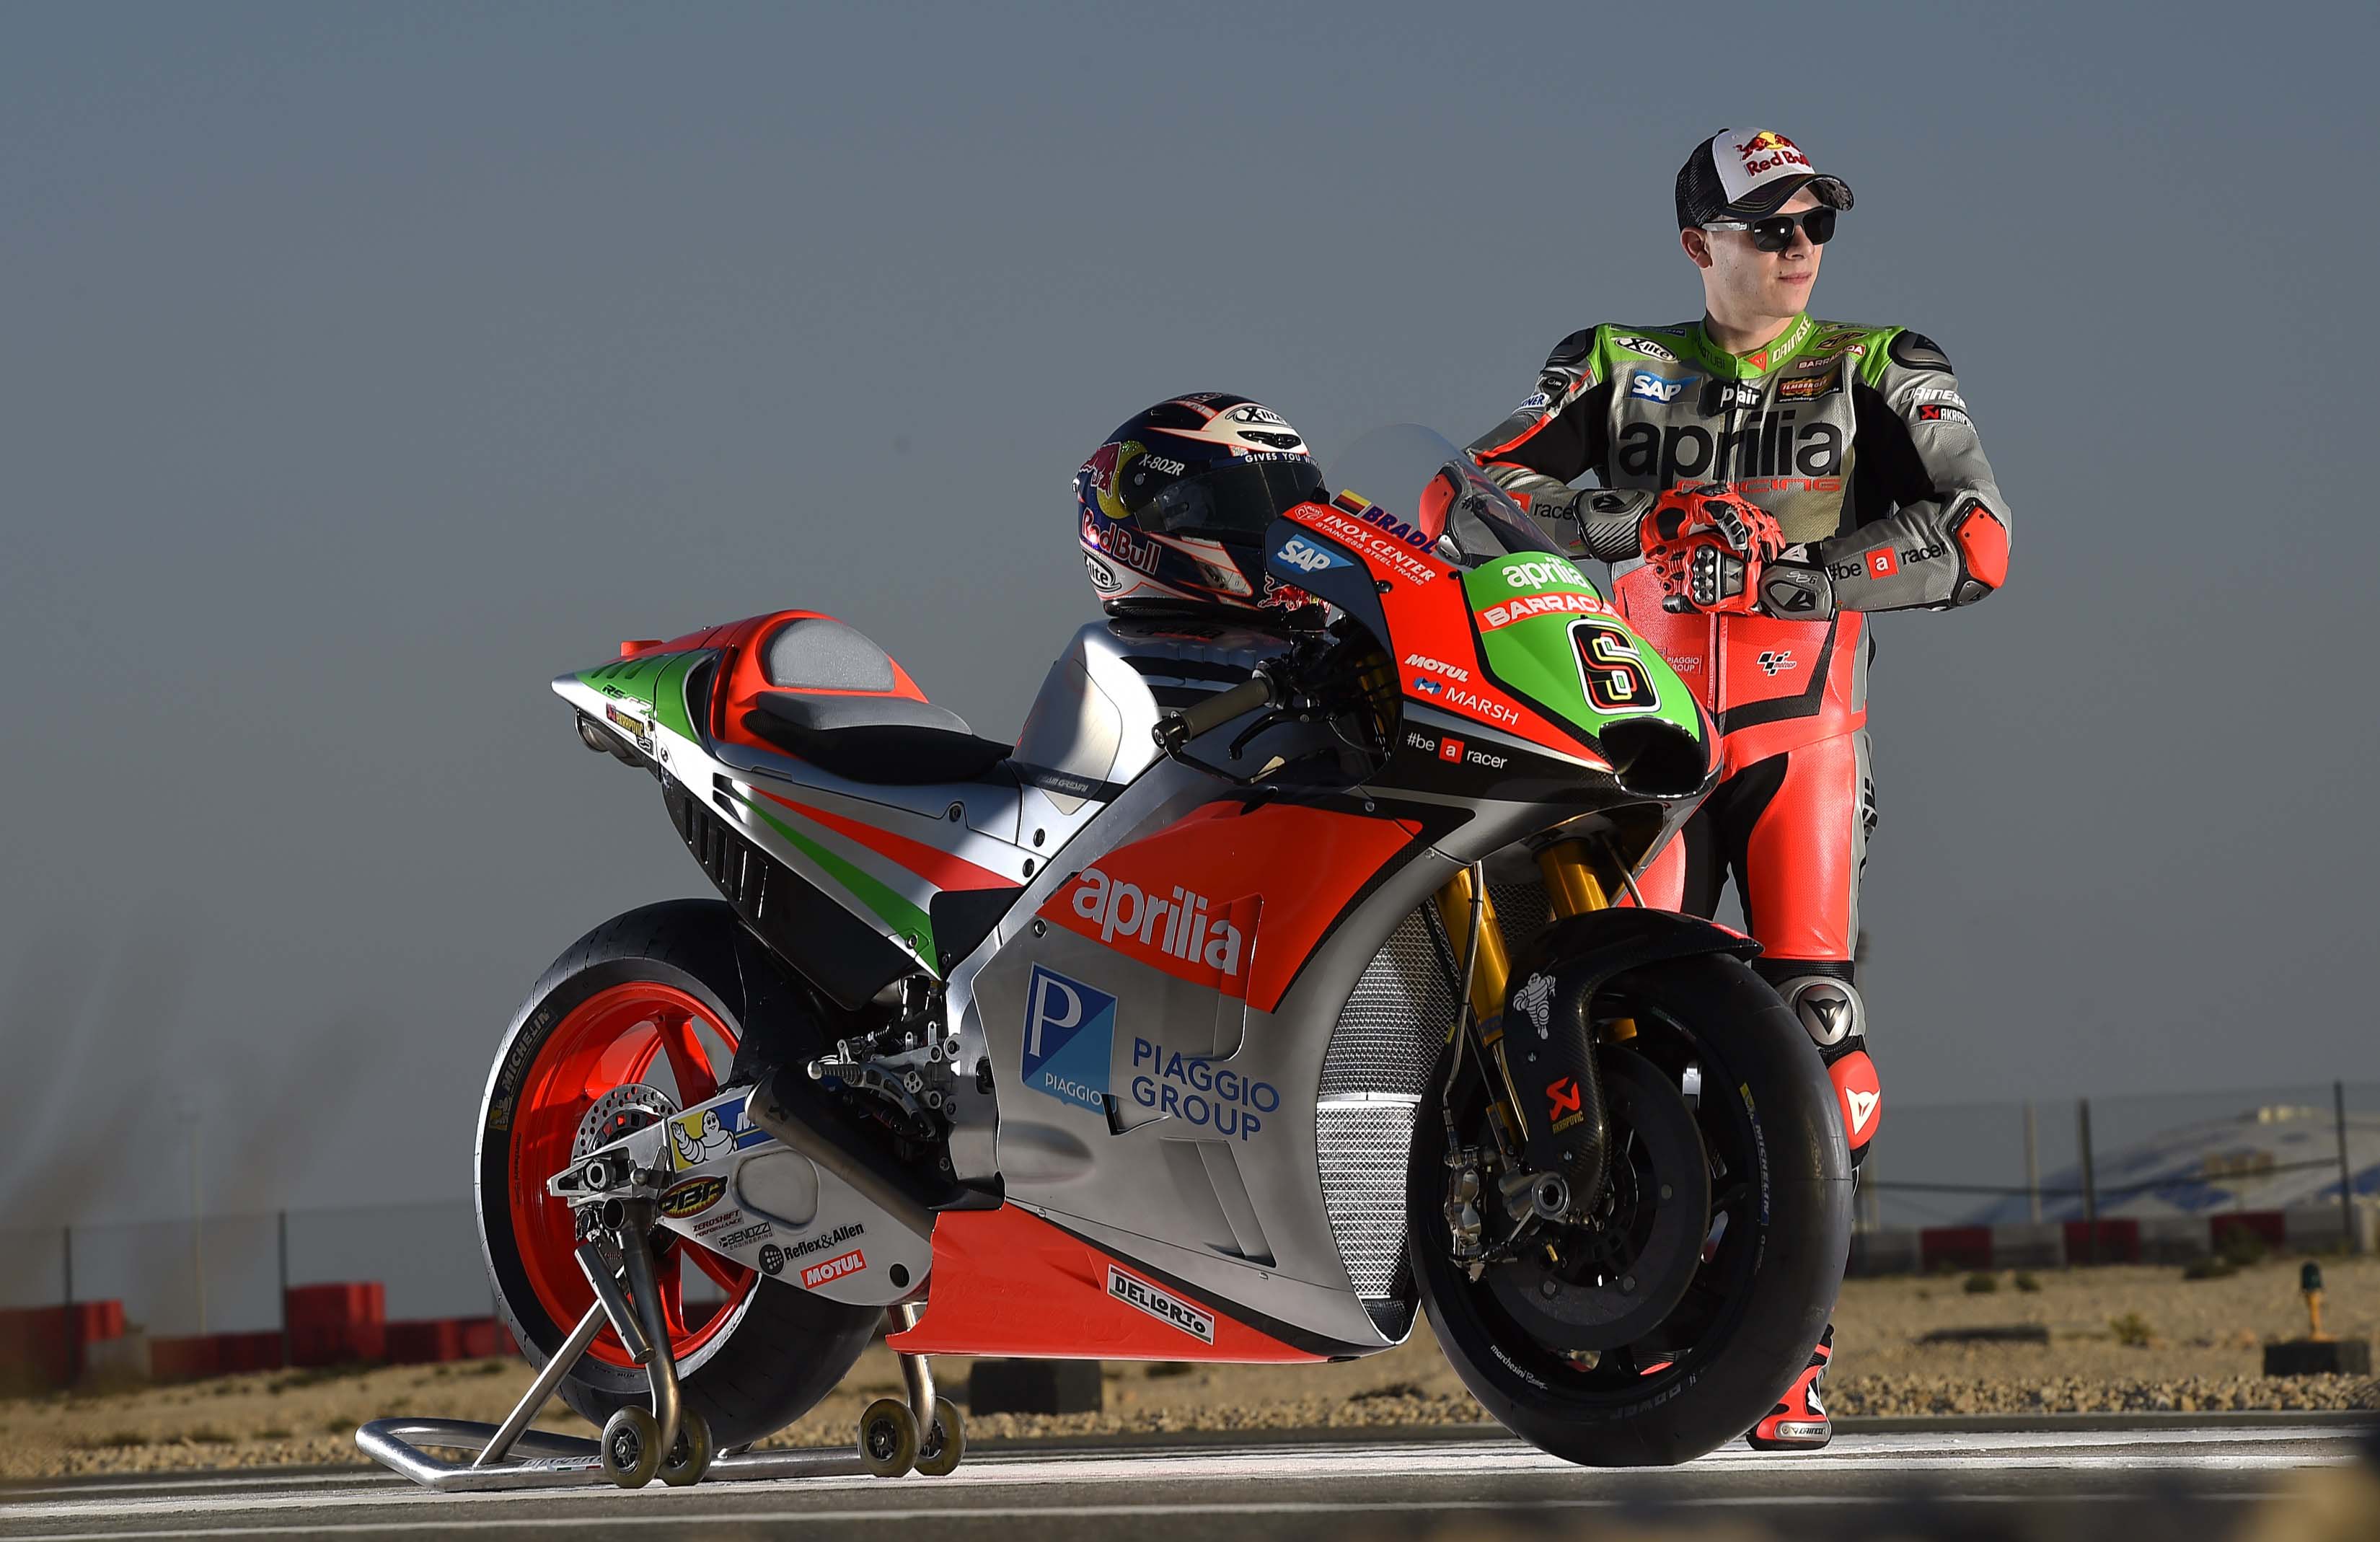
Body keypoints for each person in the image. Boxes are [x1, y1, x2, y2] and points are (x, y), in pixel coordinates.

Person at [1467, 128, 2013, 1450]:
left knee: (1822, 1035)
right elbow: (1479, 486)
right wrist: (1629, 523)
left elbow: (1981, 534)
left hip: (1803, 739)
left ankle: (1791, 1353)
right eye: (1770, 227)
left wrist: (1808, 573)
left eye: (1816, 223)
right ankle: (1639, 1318)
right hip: (1640, 743)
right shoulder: (1613, 360)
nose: (1799, 247)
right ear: (1696, 243)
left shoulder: (1883, 362)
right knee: (1620, 1021)